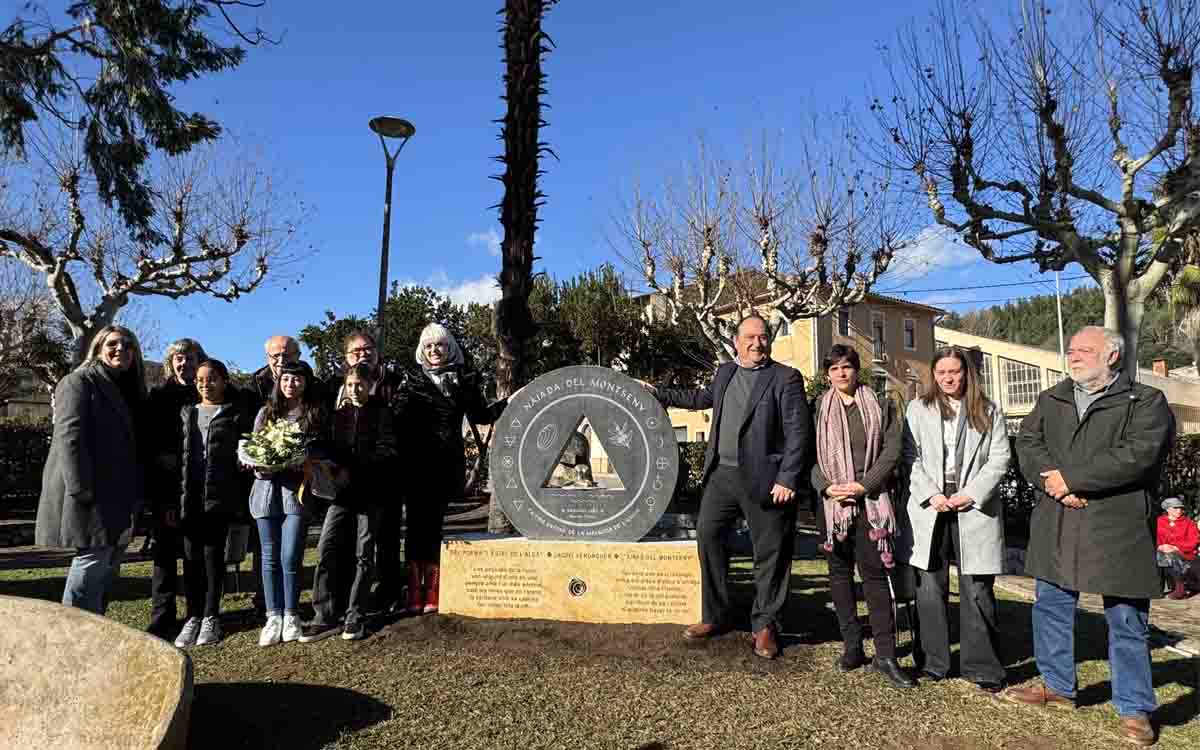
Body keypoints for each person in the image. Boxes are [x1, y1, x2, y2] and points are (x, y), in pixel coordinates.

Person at [1005, 327, 1174, 747]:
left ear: (1112, 356)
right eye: (1071, 349)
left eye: (1085, 350)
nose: (1073, 355)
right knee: (1052, 608)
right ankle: (1059, 687)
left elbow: (1138, 455)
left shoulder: (1146, 401)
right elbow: (1028, 442)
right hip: (1059, 517)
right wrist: (1052, 482)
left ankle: (1135, 707)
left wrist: (1073, 479)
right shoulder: (1053, 397)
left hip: (1118, 524)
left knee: (1126, 620)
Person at [647, 313, 809, 659]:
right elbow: (700, 398)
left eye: (763, 337)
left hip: (767, 481)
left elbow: (799, 432)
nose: (757, 343)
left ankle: (765, 626)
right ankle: (716, 616)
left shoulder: (786, 378)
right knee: (708, 537)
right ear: (736, 341)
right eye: (749, 337)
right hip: (721, 476)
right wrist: (659, 393)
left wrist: (788, 477)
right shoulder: (725, 373)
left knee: (770, 553)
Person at [903, 346, 1010, 692]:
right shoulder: (918, 409)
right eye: (941, 372)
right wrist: (932, 494)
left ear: (967, 373)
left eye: (954, 371)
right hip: (931, 506)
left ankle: (982, 667)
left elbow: (999, 459)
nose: (948, 378)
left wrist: (970, 494)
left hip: (972, 509)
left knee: (976, 588)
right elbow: (910, 456)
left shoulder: (989, 410)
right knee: (930, 587)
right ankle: (934, 662)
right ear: (933, 375)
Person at [811, 344, 911, 687]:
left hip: (870, 501)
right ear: (827, 374)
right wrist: (825, 487)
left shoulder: (880, 404)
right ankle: (852, 646)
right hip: (833, 505)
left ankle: (885, 654)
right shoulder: (818, 409)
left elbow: (891, 451)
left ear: (857, 370)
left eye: (847, 366)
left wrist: (864, 485)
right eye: (834, 368)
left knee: (873, 574)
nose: (842, 373)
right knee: (839, 575)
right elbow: (808, 455)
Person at [35, 325, 147, 615]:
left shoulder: (130, 389)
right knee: (91, 561)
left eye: (128, 344)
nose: (120, 348)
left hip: (119, 491)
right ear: (98, 349)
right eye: (112, 343)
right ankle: (73, 634)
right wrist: (80, 488)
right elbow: (69, 437)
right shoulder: (79, 382)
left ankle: (95, 629)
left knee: (107, 564)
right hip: (91, 491)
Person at [402, 323, 505, 614]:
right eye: (429, 346)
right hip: (415, 463)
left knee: (434, 525)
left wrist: (511, 402)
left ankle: (433, 589)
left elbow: (481, 415)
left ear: (451, 349)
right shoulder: (410, 380)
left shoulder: (464, 379)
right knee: (414, 527)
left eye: (441, 345)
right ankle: (413, 589)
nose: (435, 350)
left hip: (445, 462)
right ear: (422, 350)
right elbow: (397, 418)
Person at [301, 363, 398, 642]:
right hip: (341, 497)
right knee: (326, 548)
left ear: (370, 386)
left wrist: (352, 468)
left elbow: (387, 452)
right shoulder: (337, 416)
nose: (356, 389)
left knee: (363, 554)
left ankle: (356, 614)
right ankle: (325, 614)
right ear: (345, 386)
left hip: (371, 495)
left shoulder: (383, 414)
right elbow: (325, 446)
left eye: (361, 385)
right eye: (351, 385)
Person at [325, 330, 408, 614]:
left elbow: (394, 437)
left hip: (382, 480)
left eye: (367, 349)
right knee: (345, 542)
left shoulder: (394, 383)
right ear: (346, 358)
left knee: (383, 540)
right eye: (355, 351)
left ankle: (388, 595)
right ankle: (344, 597)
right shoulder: (335, 390)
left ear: (376, 352)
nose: (362, 354)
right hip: (345, 485)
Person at [248, 360, 329, 646]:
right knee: (268, 557)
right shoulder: (266, 413)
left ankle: (292, 614)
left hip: (297, 493)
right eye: (285, 379)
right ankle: (274, 616)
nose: (290, 384)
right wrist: (260, 463)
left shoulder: (314, 414)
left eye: (296, 379)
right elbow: (253, 449)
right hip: (266, 493)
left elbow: (320, 451)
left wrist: (302, 460)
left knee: (290, 555)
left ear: (306, 382)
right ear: (278, 383)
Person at [174, 359, 254, 647]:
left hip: (219, 501)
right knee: (191, 561)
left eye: (212, 379)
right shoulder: (186, 413)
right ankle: (192, 617)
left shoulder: (235, 414)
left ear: (224, 381)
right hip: (189, 499)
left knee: (212, 560)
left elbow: (245, 454)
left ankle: (211, 617)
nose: (205, 384)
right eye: (200, 379)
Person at [145, 338, 206, 639]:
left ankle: (198, 612)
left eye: (190, 358)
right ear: (171, 363)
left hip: (199, 485)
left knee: (196, 553)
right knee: (165, 556)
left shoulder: (207, 392)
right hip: (167, 487)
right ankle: (162, 614)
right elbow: (150, 445)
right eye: (179, 359)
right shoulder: (158, 396)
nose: (185, 364)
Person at [1156, 497, 1198, 600]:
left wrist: (1176, 547)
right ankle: (1158, 588)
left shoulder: (1188, 523)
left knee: (1169, 556)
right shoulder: (1159, 521)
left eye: (1180, 508)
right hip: (1162, 551)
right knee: (1160, 555)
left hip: (1184, 553)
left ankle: (1179, 588)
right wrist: (1160, 546)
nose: (1179, 510)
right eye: (1175, 508)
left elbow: (1194, 541)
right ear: (1168, 509)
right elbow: (1154, 536)